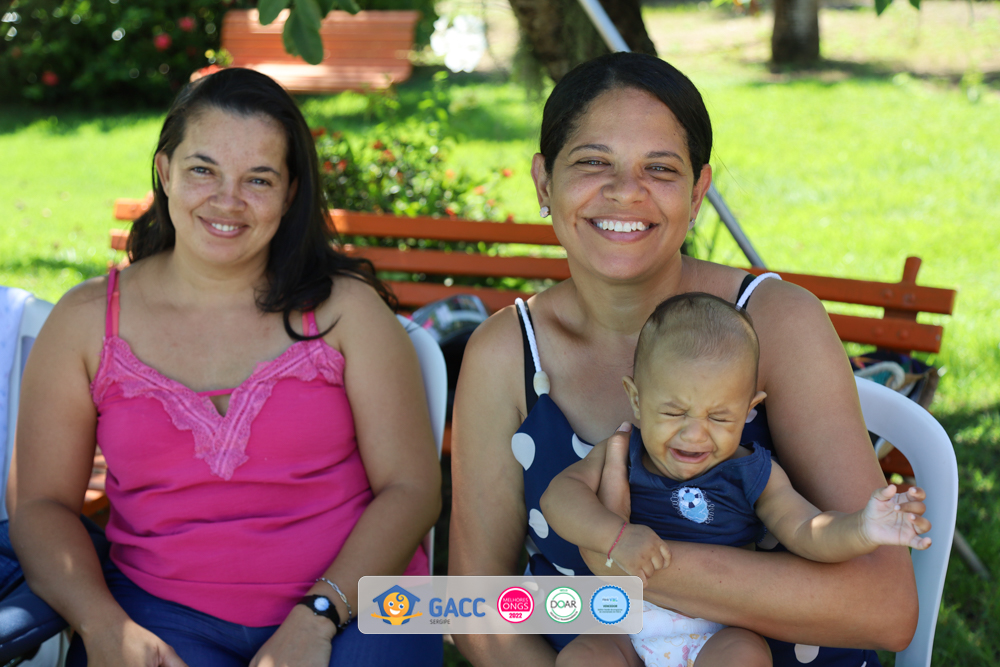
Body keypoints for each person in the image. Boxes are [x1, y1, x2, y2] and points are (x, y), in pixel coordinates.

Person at [449, 52, 920, 667]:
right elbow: (477, 612)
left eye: (660, 168)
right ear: (544, 181)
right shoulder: (506, 352)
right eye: (592, 161)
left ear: (698, 192)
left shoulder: (774, 322)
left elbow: (885, 608)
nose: (625, 190)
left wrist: (620, 559)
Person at [7, 68, 442, 667]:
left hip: (359, 606)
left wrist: (317, 618)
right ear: (165, 171)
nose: (227, 200)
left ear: (290, 193)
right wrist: (103, 624)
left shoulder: (346, 311)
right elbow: (40, 505)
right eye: (202, 170)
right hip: (159, 615)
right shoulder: (86, 322)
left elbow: (412, 489)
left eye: (258, 179)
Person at [541, 292, 932, 667]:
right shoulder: (623, 450)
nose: (694, 434)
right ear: (637, 399)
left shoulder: (753, 472)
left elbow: (806, 531)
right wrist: (615, 538)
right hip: (623, 620)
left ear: (748, 410)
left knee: (745, 655)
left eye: (719, 417)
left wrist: (861, 528)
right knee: (582, 657)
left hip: (718, 630)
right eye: (674, 412)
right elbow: (559, 498)